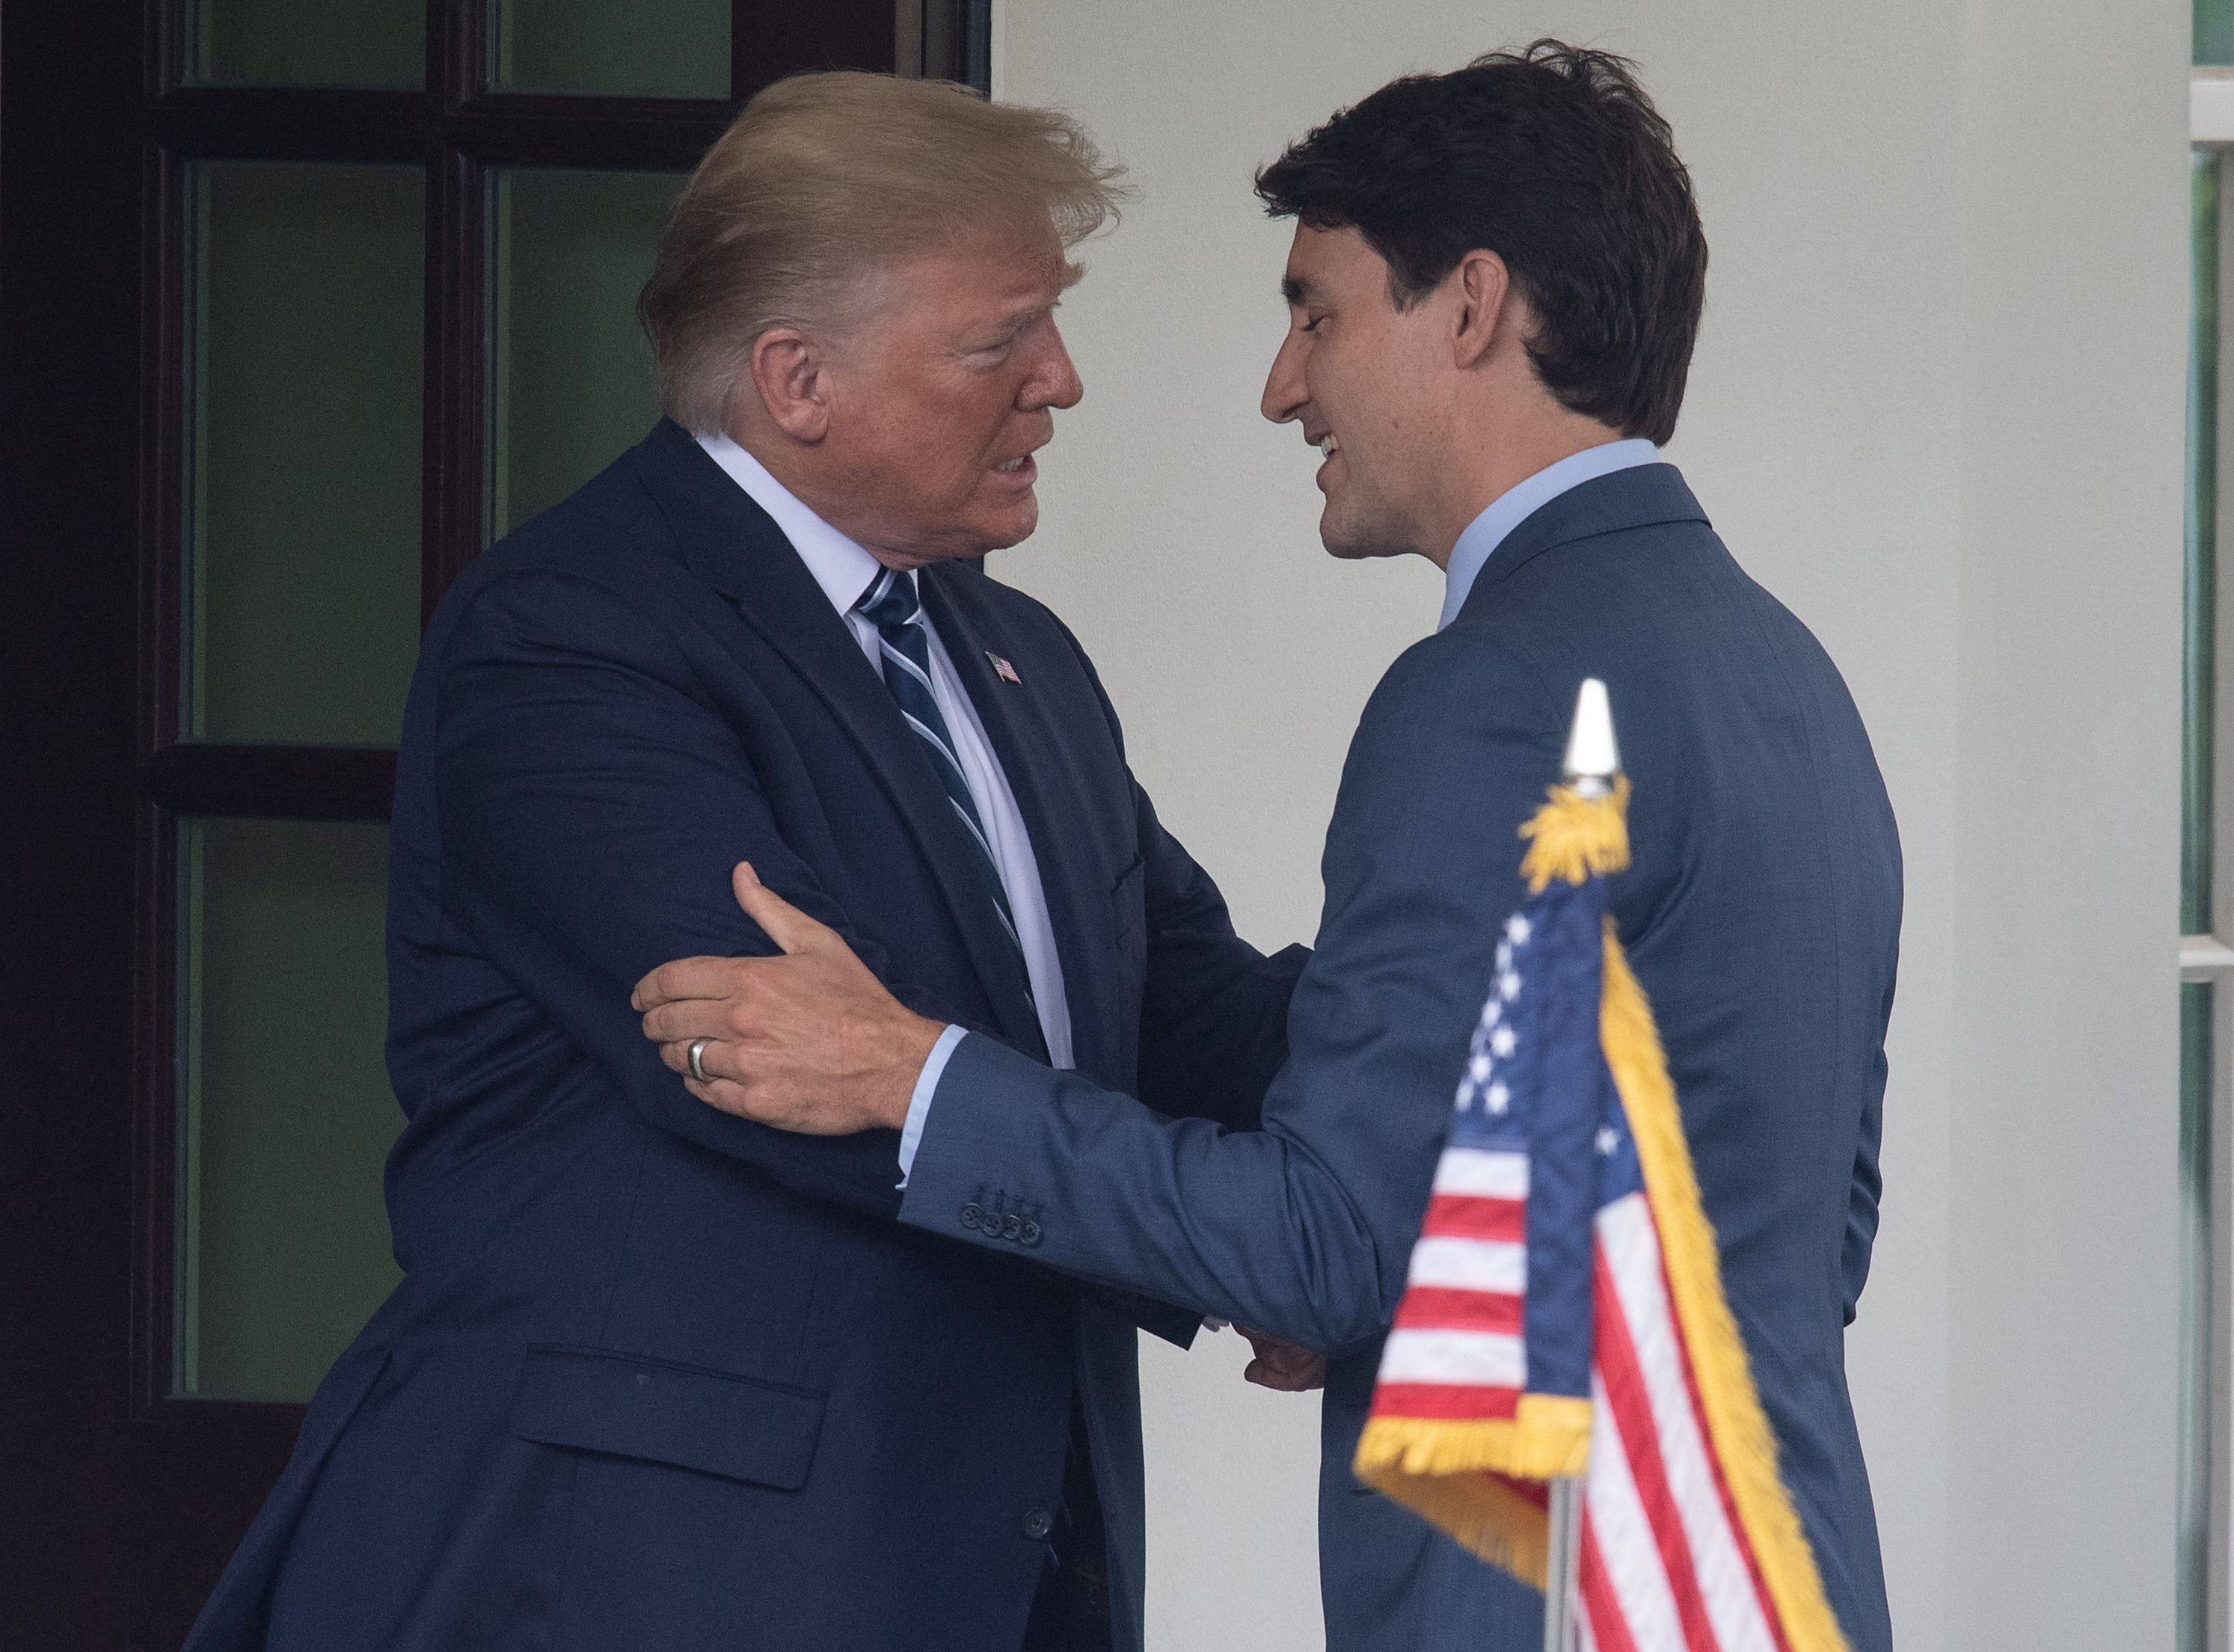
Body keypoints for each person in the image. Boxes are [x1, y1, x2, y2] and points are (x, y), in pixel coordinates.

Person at [636, 43, 1901, 1652]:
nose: (1282, 384)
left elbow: (1334, 1247)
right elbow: (1809, 1219)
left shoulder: (1492, 695)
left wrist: (915, 1079)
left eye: (1318, 312)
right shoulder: (1783, 672)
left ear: (1471, 307)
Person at [181, 72, 1307, 1652]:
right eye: (1000, 341)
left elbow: (1185, 1018)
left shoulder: (1020, 660)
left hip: (1003, 1570)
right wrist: (1247, 1242)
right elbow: (797, 1080)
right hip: (653, 1578)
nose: (1060, 381)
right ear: (798, 380)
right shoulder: (569, 640)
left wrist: (1448, 1016)